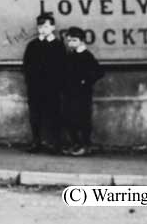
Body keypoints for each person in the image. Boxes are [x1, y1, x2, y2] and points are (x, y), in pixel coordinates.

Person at [22, 12, 64, 153]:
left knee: (53, 114)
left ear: (53, 27)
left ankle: (54, 143)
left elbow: (62, 66)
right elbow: (27, 65)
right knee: (35, 114)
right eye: (40, 27)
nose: (43, 29)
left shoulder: (58, 45)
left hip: (53, 87)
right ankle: (36, 142)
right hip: (35, 86)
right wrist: (30, 81)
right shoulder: (32, 45)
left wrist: (58, 83)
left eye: (46, 26)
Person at [62, 26, 104, 156]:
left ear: (81, 41)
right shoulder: (70, 55)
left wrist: (85, 81)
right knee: (69, 118)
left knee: (83, 119)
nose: (71, 43)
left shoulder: (87, 56)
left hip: (82, 94)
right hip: (70, 93)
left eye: (74, 40)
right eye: (69, 41)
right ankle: (75, 143)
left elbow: (99, 72)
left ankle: (85, 145)